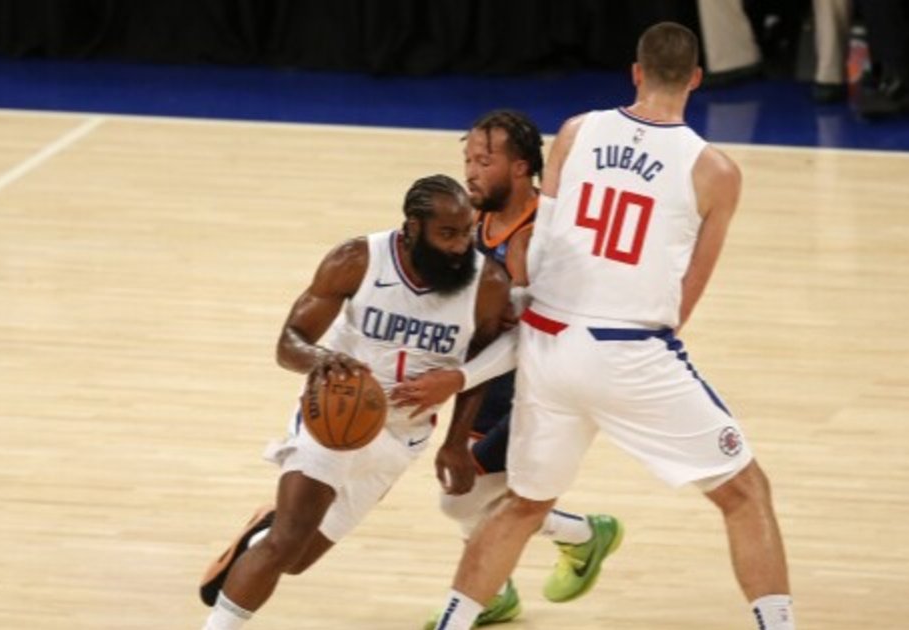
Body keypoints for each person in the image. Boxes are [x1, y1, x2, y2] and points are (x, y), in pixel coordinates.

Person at [431, 22, 796, 630]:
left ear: (635, 72)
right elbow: (688, 294)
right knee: (744, 492)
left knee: (523, 505)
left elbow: (539, 250)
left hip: (547, 343)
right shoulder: (717, 171)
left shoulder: (578, 131)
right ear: (697, 80)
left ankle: (451, 623)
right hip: (628, 350)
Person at [197, 174, 510, 630]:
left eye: (465, 232)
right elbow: (290, 342)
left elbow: (479, 369)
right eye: (447, 234)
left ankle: (263, 527)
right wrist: (320, 358)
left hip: (403, 436)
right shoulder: (357, 260)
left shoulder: (487, 284)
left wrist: (456, 442)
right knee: (285, 544)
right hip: (334, 419)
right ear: (412, 228)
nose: (461, 245)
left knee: (297, 559)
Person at [388, 110, 623, 629]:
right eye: (467, 158)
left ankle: (583, 537)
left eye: (483, 160)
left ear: (520, 169)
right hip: (494, 379)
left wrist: (456, 378)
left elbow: (523, 333)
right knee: (472, 496)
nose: (470, 171)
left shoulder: (536, 237)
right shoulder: (474, 221)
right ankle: (502, 586)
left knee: (467, 500)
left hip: (543, 382)